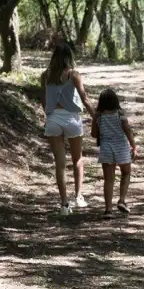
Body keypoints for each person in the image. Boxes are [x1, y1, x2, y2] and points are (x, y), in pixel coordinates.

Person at [41, 43, 95, 216]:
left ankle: (64, 204)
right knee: (77, 159)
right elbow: (85, 99)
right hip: (71, 118)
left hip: (53, 118)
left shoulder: (45, 75)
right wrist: (97, 118)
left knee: (60, 163)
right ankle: (78, 196)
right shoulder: (73, 75)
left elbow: (44, 100)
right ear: (69, 57)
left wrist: (49, 116)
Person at [92, 88, 137, 219]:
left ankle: (108, 210)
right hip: (121, 147)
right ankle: (122, 200)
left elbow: (94, 134)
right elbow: (127, 130)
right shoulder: (120, 113)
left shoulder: (98, 115)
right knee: (126, 172)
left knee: (108, 180)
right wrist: (134, 146)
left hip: (106, 148)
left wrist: (96, 122)